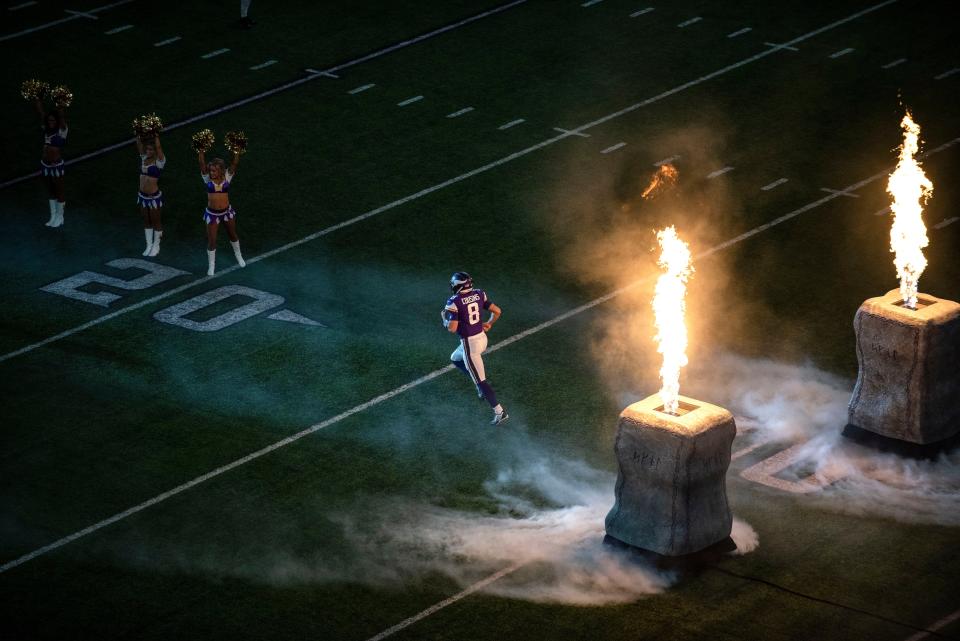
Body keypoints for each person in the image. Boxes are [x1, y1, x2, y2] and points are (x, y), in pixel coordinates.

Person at [442, 272, 509, 425]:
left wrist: (445, 322)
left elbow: (452, 328)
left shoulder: (454, 301)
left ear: (457, 286)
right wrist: (490, 323)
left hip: (470, 345)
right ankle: (479, 386)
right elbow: (497, 311)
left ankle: (500, 412)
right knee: (455, 358)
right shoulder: (479, 294)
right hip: (482, 339)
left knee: (481, 381)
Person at [197, 149, 245, 276]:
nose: (211, 173)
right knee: (212, 240)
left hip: (226, 212)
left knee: (232, 234)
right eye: (210, 170)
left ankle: (239, 256)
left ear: (221, 171)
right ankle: (211, 265)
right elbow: (202, 163)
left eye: (214, 170)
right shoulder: (207, 179)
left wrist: (236, 150)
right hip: (212, 214)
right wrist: (201, 150)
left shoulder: (227, 177)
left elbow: (234, 164)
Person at [36, 99, 67, 227]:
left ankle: (60, 217)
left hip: (56, 165)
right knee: (50, 189)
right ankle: (53, 216)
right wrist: (38, 98)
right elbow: (41, 113)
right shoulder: (46, 129)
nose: (51, 122)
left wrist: (60, 108)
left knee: (59, 189)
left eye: (53, 120)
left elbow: (61, 118)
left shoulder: (62, 130)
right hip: (45, 164)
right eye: (49, 121)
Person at [136, 134, 166, 256]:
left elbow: (159, 148)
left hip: (153, 197)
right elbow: (139, 144)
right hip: (142, 196)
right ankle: (148, 245)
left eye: (151, 149)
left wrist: (156, 135)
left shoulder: (159, 162)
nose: (148, 151)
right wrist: (138, 133)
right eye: (147, 149)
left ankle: (156, 246)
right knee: (146, 221)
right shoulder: (143, 158)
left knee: (156, 221)